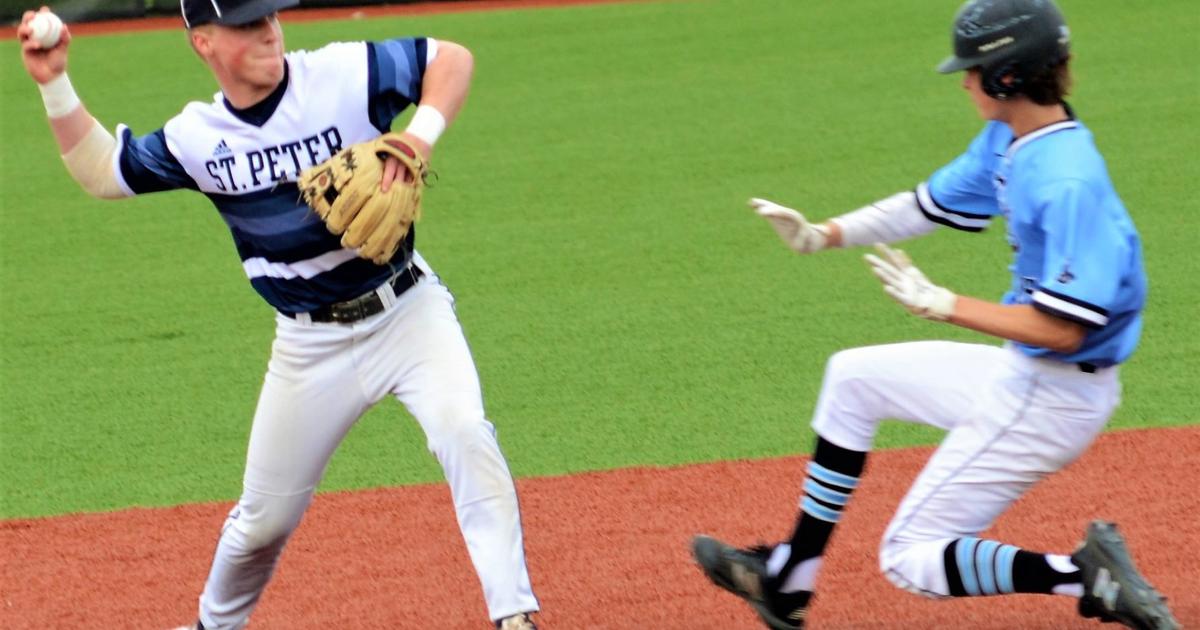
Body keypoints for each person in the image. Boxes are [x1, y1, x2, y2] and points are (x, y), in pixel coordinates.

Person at [17, 1, 541, 628]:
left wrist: (414, 138)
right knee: (263, 522)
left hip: (407, 311)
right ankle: (214, 625)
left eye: (268, 14)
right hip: (308, 347)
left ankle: (514, 615)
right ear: (203, 44)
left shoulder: (342, 74)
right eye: (245, 23)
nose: (267, 28)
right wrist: (54, 82)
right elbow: (104, 172)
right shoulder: (198, 138)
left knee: (464, 432)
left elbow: (450, 60)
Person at [690, 1, 1179, 629]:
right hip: (1027, 377)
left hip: (1055, 398)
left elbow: (1064, 327)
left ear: (1009, 75)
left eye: (974, 70)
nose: (965, 81)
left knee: (909, 559)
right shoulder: (1014, 140)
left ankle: (1085, 577)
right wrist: (824, 234)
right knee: (853, 378)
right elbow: (925, 205)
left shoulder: (1067, 181)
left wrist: (948, 306)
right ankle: (788, 580)